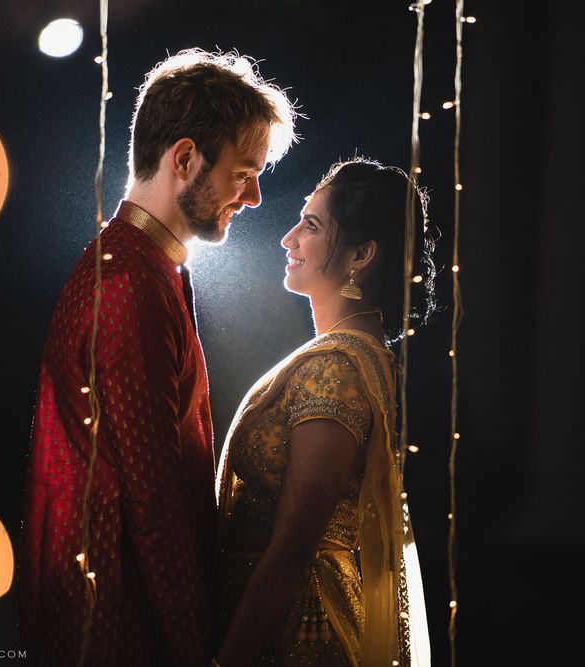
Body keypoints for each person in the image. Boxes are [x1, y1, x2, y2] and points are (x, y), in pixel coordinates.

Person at [19, 49, 297, 667]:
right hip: (120, 628)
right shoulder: (129, 287)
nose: (252, 198)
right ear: (185, 159)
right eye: (243, 172)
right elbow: (155, 506)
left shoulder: (149, 270)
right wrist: (201, 651)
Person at [213, 158, 434, 667]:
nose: (288, 239)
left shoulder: (336, 368)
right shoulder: (361, 356)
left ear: (361, 255)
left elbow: (292, 549)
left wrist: (225, 660)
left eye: (311, 226)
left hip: (295, 632)